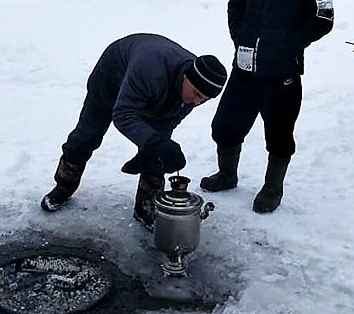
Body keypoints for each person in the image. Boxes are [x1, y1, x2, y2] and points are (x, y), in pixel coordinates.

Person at [200, 0, 334, 213]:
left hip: (283, 72)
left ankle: (273, 187)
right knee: (225, 126)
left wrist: (290, 43)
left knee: (279, 134)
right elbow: (236, 3)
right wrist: (239, 35)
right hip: (245, 67)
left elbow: (324, 17)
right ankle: (227, 173)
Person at [41, 33, 227, 230]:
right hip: (111, 79)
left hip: (154, 85)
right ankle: (63, 186)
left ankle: (146, 207)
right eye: (197, 95)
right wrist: (153, 142)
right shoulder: (151, 71)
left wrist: (153, 149)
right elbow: (122, 114)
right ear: (185, 77)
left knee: (159, 151)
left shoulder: (195, 88)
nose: (198, 102)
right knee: (88, 135)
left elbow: (167, 123)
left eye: (205, 100)